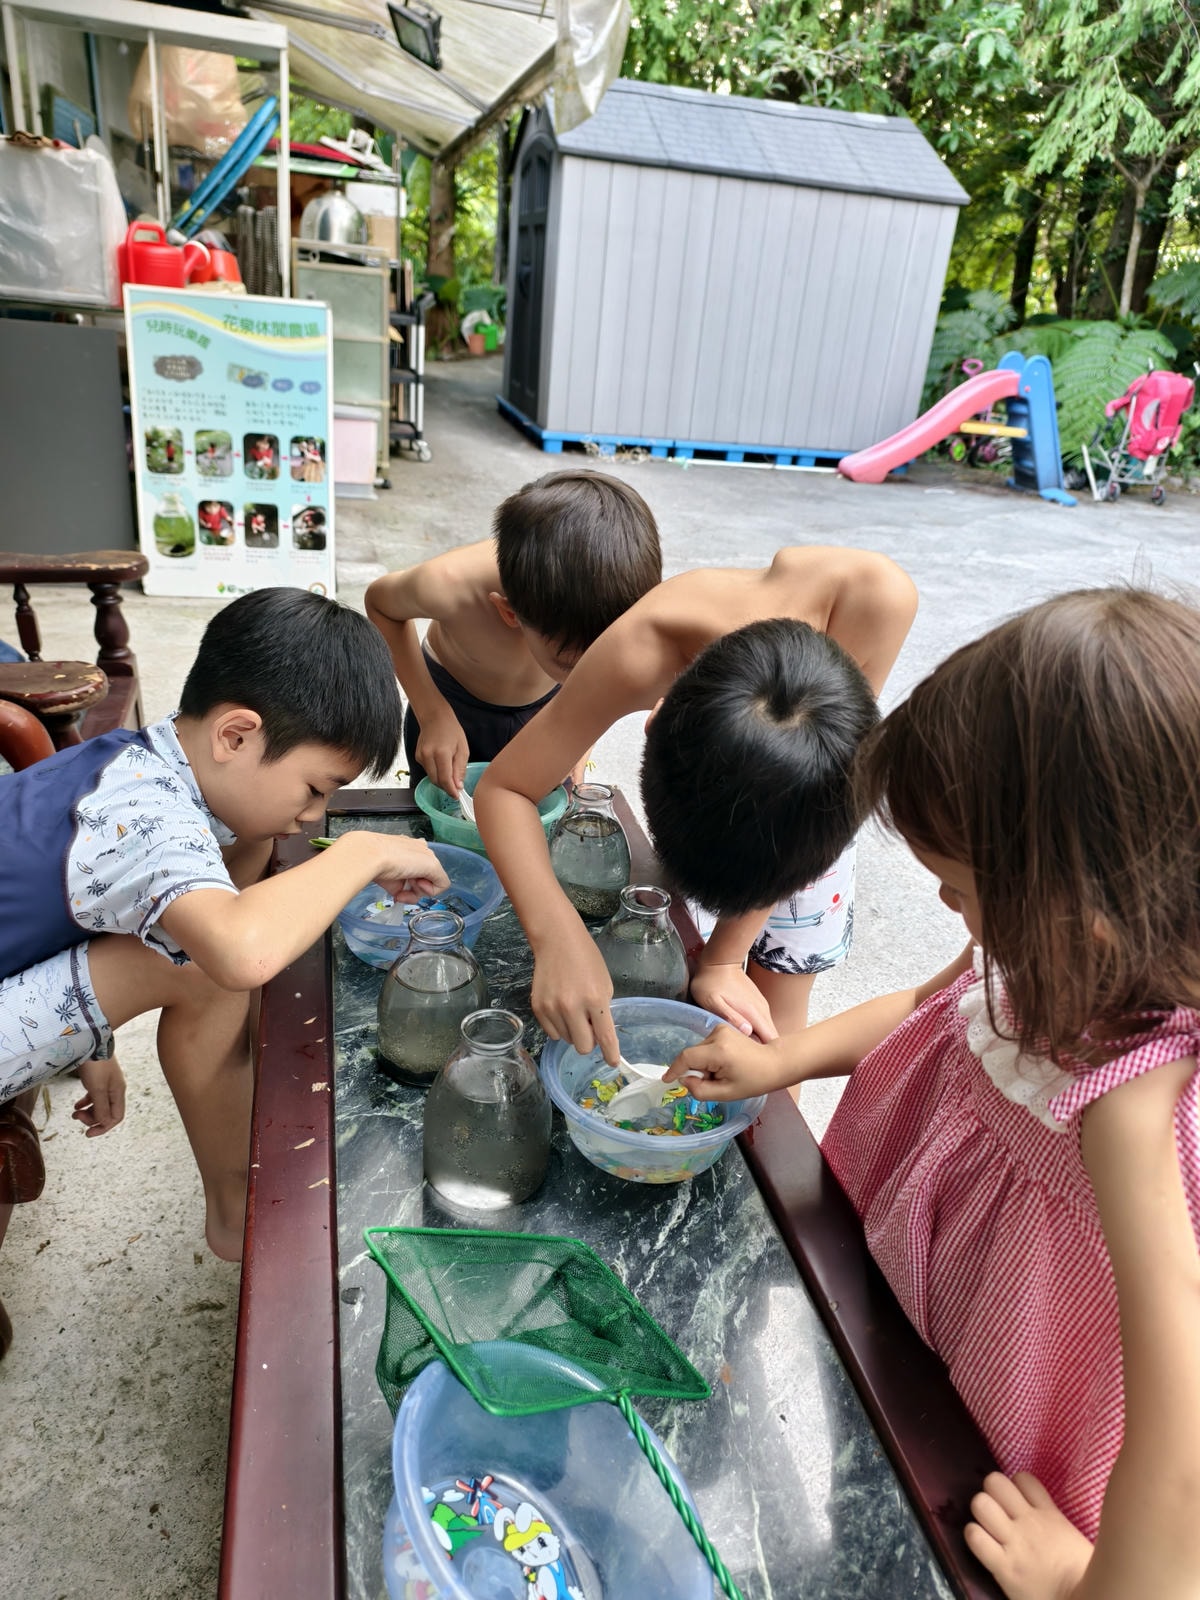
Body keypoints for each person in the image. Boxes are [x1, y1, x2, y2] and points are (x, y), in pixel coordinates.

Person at [664, 588, 1200, 1600]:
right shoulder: (1054, 948)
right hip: (920, 1311)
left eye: (958, 887)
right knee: (878, 1466)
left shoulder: (1135, 1111)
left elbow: (1182, 1453)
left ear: (1076, 910)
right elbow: (942, 1005)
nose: (949, 906)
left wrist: (1081, 1583)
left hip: (1022, 1428)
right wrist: (779, 1062)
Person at [0, 588, 446, 1264]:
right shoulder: (148, 815)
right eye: (316, 788)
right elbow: (240, 952)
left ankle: (252, 1149)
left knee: (223, 903)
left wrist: (93, 1047)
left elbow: (75, 907)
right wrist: (364, 852)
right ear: (235, 735)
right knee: (199, 965)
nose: (314, 816)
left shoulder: (138, 762)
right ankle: (239, 1213)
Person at [474, 544, 917, 1059]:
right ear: (656, 717)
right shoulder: (634, 653)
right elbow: (504, 788)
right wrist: (557, 937)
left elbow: (828, 781)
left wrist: (725, 960)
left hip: (806, 825)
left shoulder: (875, 602)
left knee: (773, 1025)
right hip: (754, 811)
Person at [365, 469, 663, 795]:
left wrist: (585, 731)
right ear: (510, 614)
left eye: (597, 661)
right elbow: (380, 605)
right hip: (453, 707)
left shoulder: (634, 611)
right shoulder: (447, 585)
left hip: (551, 709)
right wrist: (432, 712)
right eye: (568, 665)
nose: (588, 675)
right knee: (442, 808)